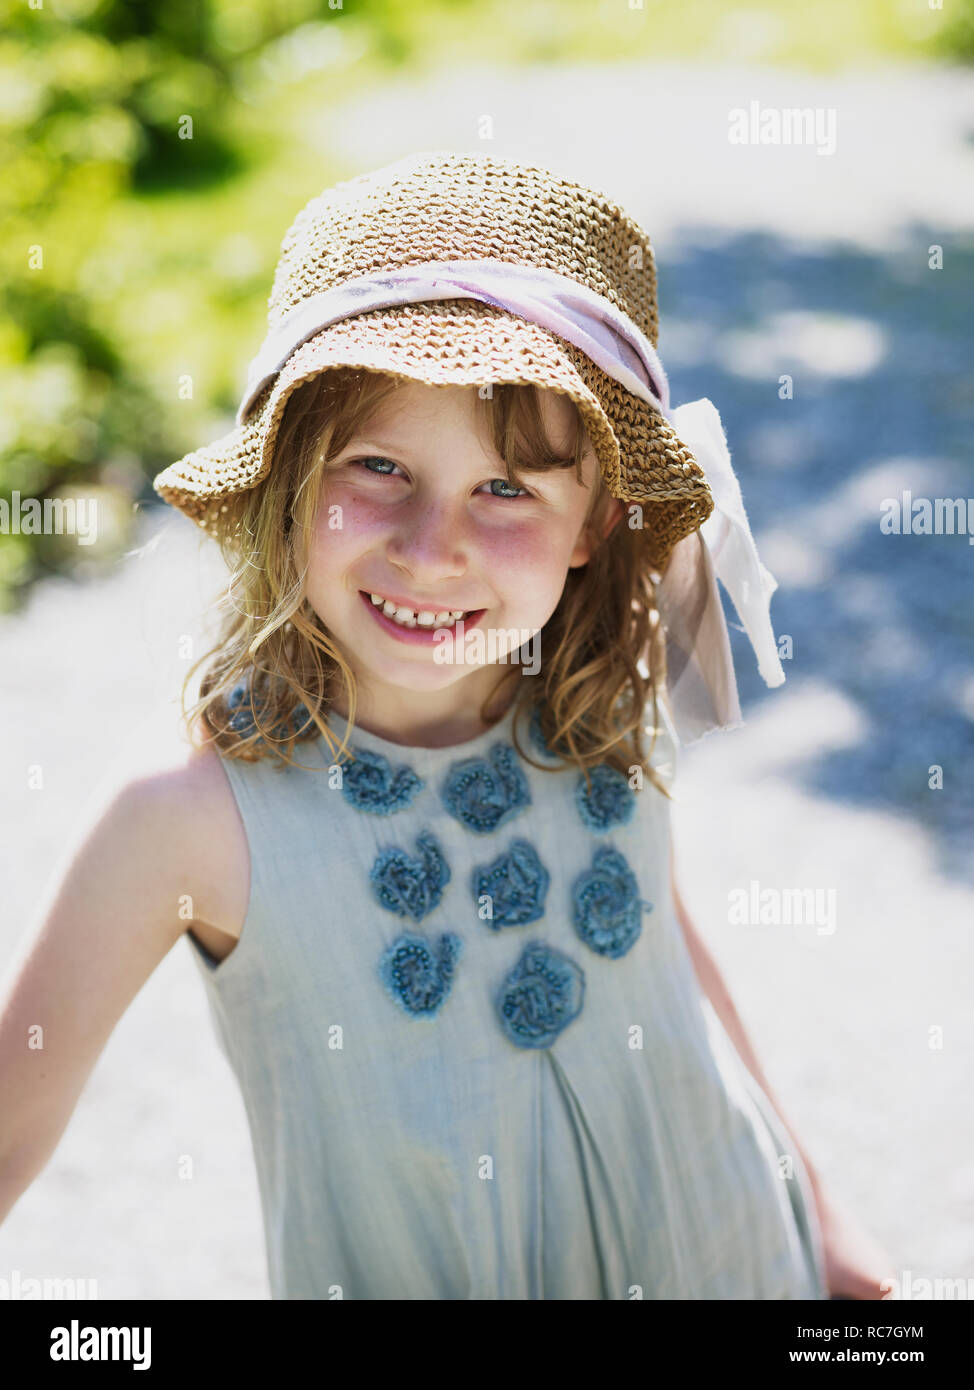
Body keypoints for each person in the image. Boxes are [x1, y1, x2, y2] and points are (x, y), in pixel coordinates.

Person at [0, 150, 894, 1300]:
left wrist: (818, 1206)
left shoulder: (594, 705)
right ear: (284, 482)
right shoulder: (187, 822)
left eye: (508, 488)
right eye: (377, 466)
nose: (431, 546)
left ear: (593, 525)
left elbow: (658, 945)